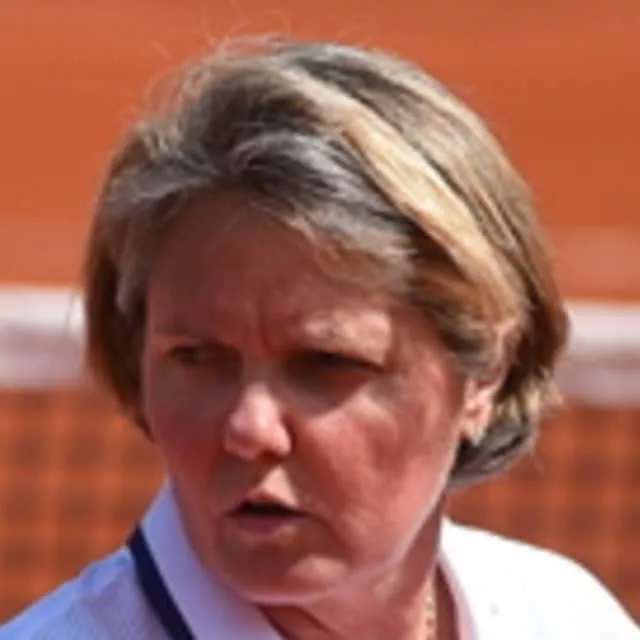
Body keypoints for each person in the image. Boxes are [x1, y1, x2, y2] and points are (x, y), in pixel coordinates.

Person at [2, 38, 637, 640]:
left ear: (486, 375)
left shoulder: (564, 616)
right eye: (195, 357)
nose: (249, 428)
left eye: (327, 363)